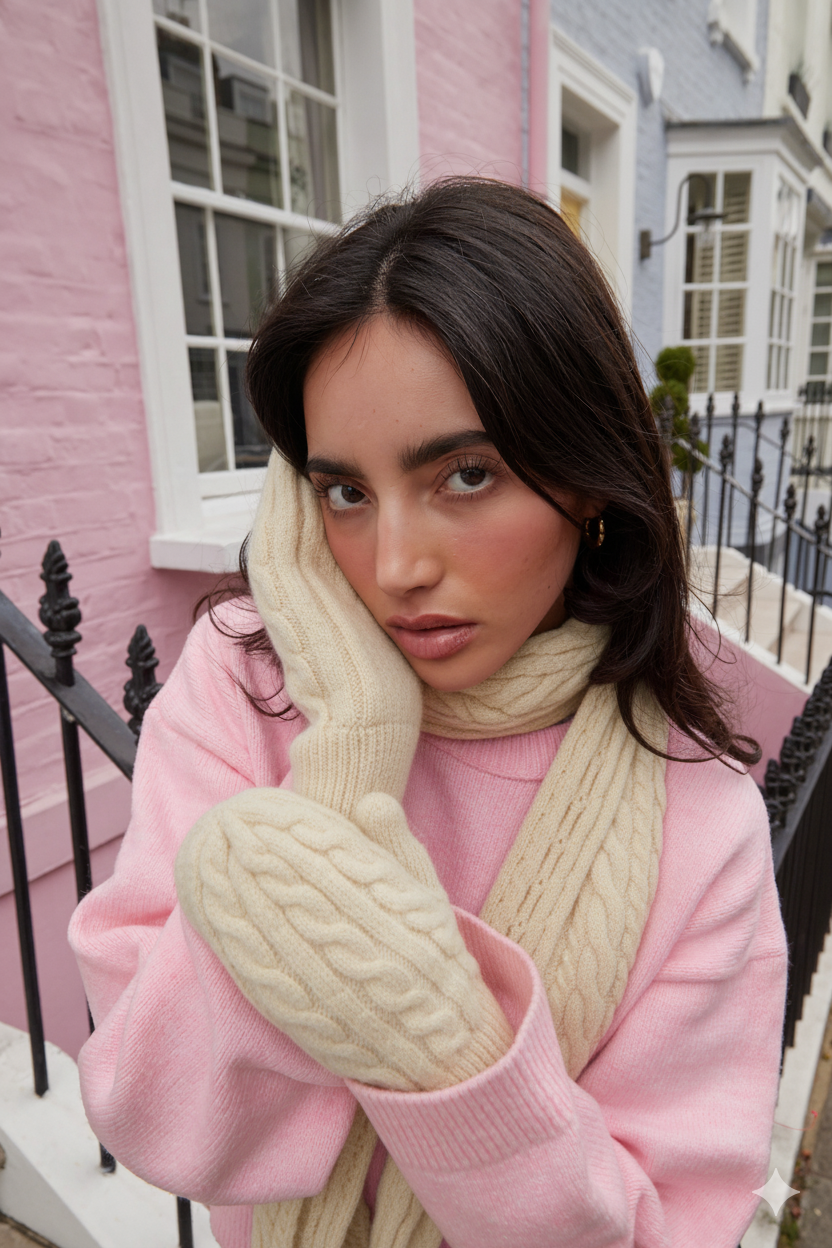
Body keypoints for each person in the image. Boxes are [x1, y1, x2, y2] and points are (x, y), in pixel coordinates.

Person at [69, 177, 788, 1248]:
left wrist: (436, 1037)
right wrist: (348, 757)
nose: (395, 567)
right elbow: (154, 1113)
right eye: (343, 492)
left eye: (464, 473)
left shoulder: (698, 822)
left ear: (586, 480)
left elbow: (657, 1231)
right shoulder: (244, 692)